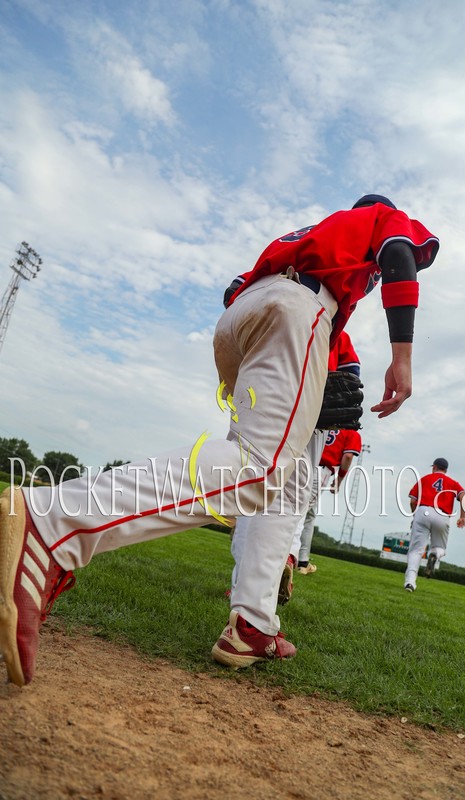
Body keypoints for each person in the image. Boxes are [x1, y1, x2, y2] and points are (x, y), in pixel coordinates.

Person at [0, 194, 439, 685]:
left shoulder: (307, 239)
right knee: (257, 470)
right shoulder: (375, 218)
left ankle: (254, 623)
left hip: (244, 318)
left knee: (280, 482)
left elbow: (235, 288)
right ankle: (51, 521)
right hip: (298, 309)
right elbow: (399, 252)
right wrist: (402, 358)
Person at [229, 330, 360, 604]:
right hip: (313, 431)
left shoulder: (271, 310)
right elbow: (351, 378)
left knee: (252, 499)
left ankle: (241, 584)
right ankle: (288, 559)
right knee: (295, 511)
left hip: (264, 404)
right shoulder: (334, 327)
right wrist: (340, 480)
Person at [296, 427, 362, 575]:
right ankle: (287, 557)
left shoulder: (327, 421)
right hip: (320, 471)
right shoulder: (352, 432)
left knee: (308, 514)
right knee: (299, 513)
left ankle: (302, 560)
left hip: (301, 463)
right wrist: (339, 480)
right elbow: (348, 456)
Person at [404, 458, 465, 592]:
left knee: (415, 551)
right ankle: (434, 554)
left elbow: (413, 501)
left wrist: (415, 516)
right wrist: (463, 517)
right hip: (442, 515)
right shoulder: (452, 483)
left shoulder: (424, 479)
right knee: (440, 548)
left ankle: (410, 583)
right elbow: (464, 496)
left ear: (434, 467)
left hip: (423, 511)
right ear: (446, 470)